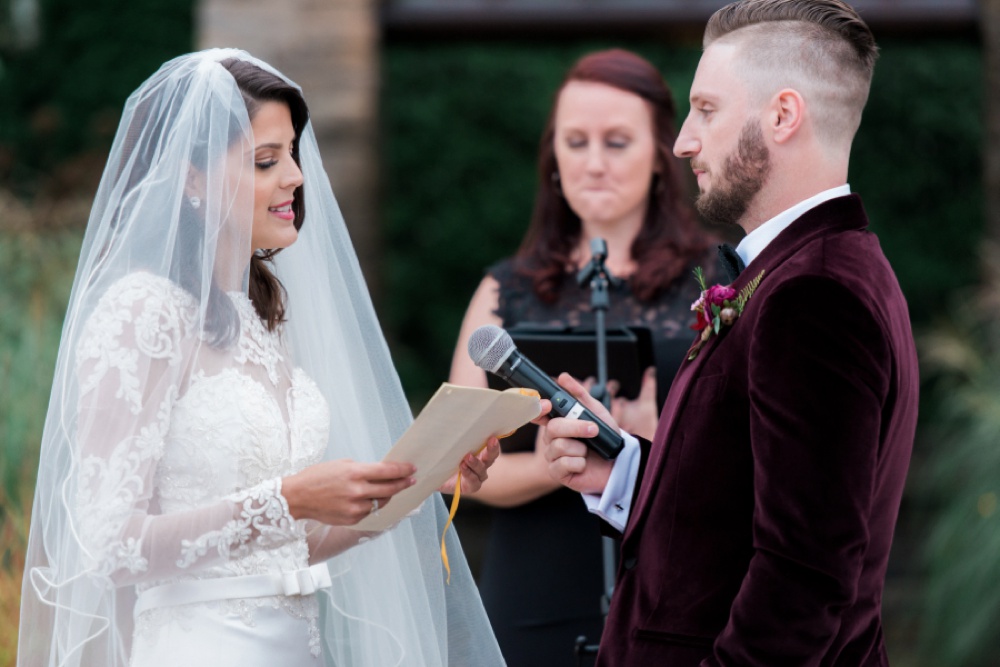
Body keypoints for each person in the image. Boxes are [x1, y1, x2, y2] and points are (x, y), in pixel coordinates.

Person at [17, 49, 504, 667]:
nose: (296, 178)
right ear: (191, 179)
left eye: (293, 155)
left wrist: (422, 480)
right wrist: (289, 499)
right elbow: (110, 546)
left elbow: (285, 545)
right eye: (266, 161)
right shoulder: (143, 313)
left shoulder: (257, 317)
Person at [537, 1, 920, 665]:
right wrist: (626, 468)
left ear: (782, 116)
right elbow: (743, 511)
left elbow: (804, 577)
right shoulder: (803, 271)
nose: (684, 140)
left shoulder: (814, 294)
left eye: (706, 110)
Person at [449, 49, 716, 665]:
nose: (593, 163)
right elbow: (451, 470)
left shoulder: (718, 283)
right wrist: (559, 464)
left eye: (617, 142)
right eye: (576, 141)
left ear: (658, 155)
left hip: (671, 587)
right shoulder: (501, 291)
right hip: (533, 588)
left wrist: (651, 456)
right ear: (553, 158)